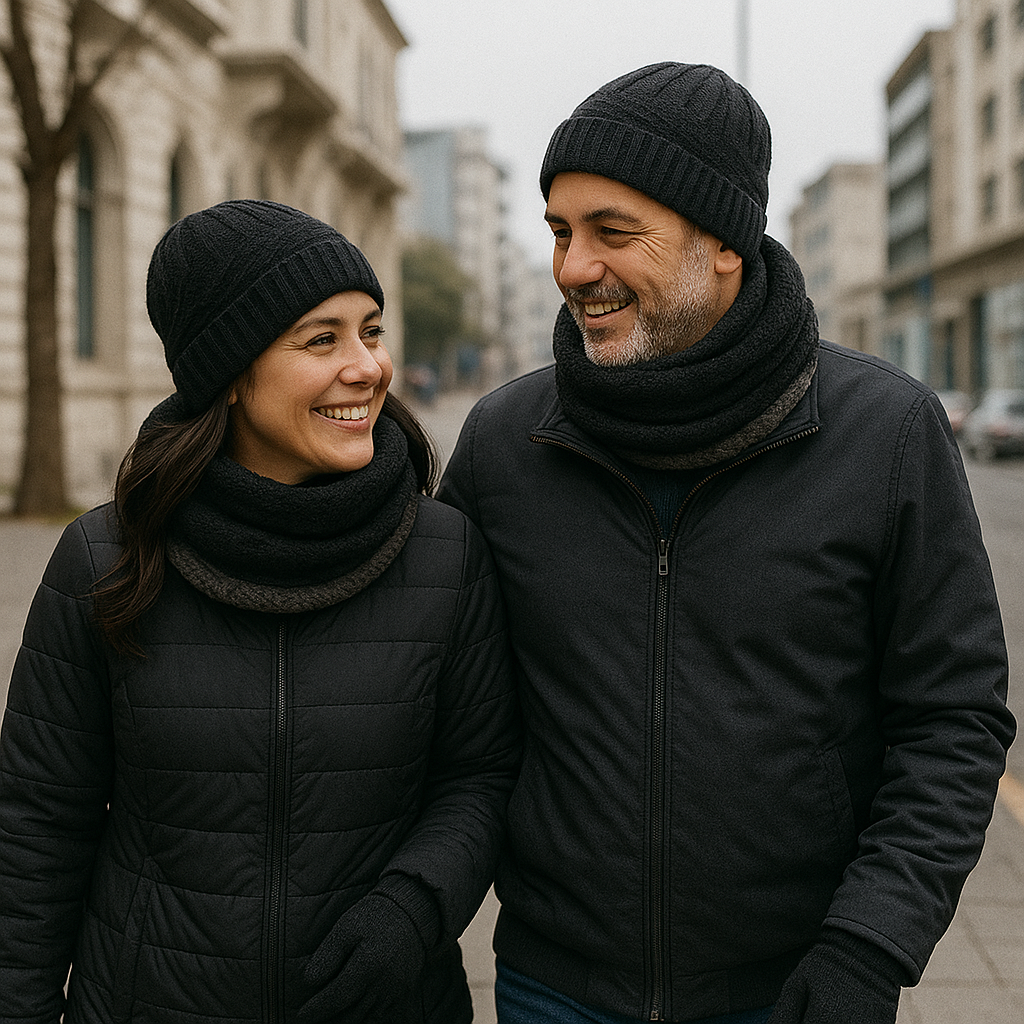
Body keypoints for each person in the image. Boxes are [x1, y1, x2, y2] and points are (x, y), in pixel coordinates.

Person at [437, 64, 1016, 1024]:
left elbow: (952, 721)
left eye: (613, 232)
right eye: (560, 232)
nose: (573, 266)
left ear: (723, 248)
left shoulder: (887, 433)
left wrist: (868, 949)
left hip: (795, 987)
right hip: (554, 985)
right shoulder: (505, 444)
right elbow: (441, 707)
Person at [0, 200, 519, 1024]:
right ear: (231, 374)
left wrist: (414, 906)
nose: (368, 367)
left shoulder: (445, 553)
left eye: (370, 330)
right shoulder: (106, 559)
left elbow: (481, 776)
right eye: (322, 339)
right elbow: (36, 821)